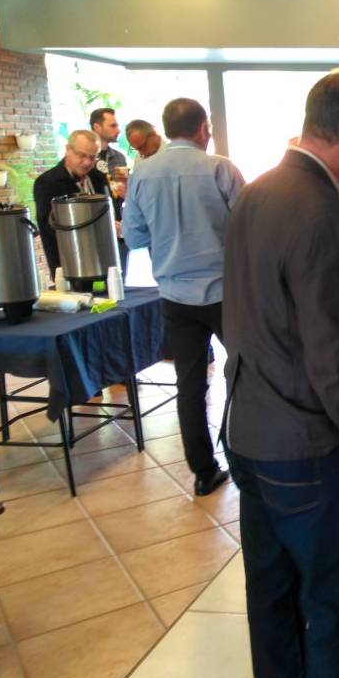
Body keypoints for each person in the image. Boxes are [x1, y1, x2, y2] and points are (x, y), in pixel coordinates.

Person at [222, 70, 339, 678]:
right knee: (333, 597)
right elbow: (333, 353)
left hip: (249, 425)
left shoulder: (258, 190)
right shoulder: (318, 207)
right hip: (305, 441)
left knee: (271, 591)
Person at [123, 97, 244, 497]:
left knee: (189, 383)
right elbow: (249, 226)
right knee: (245, 373)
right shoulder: (220, 168)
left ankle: (203, 471)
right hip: (225, 292)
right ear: (203, 128)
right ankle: (245, 458)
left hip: (174, 295)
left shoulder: (142, 174)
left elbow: (134, 236)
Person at [33, 129, 111, 279]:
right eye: (81, 155)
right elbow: (48, 226)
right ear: (68, 149)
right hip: (68, 262)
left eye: (92, 157)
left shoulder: (98, 177)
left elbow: (110, 209)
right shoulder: (47, 182)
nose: (87, 162)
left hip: (103, 258)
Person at [91, 107, 129, 273]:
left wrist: (125, 191)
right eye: (113, 126)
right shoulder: (88, 159)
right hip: (94, 228)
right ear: (97, 127)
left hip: (118, 225)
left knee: (120, 274)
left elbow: (125, 192)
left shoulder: (119, 157)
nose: (118, 130)